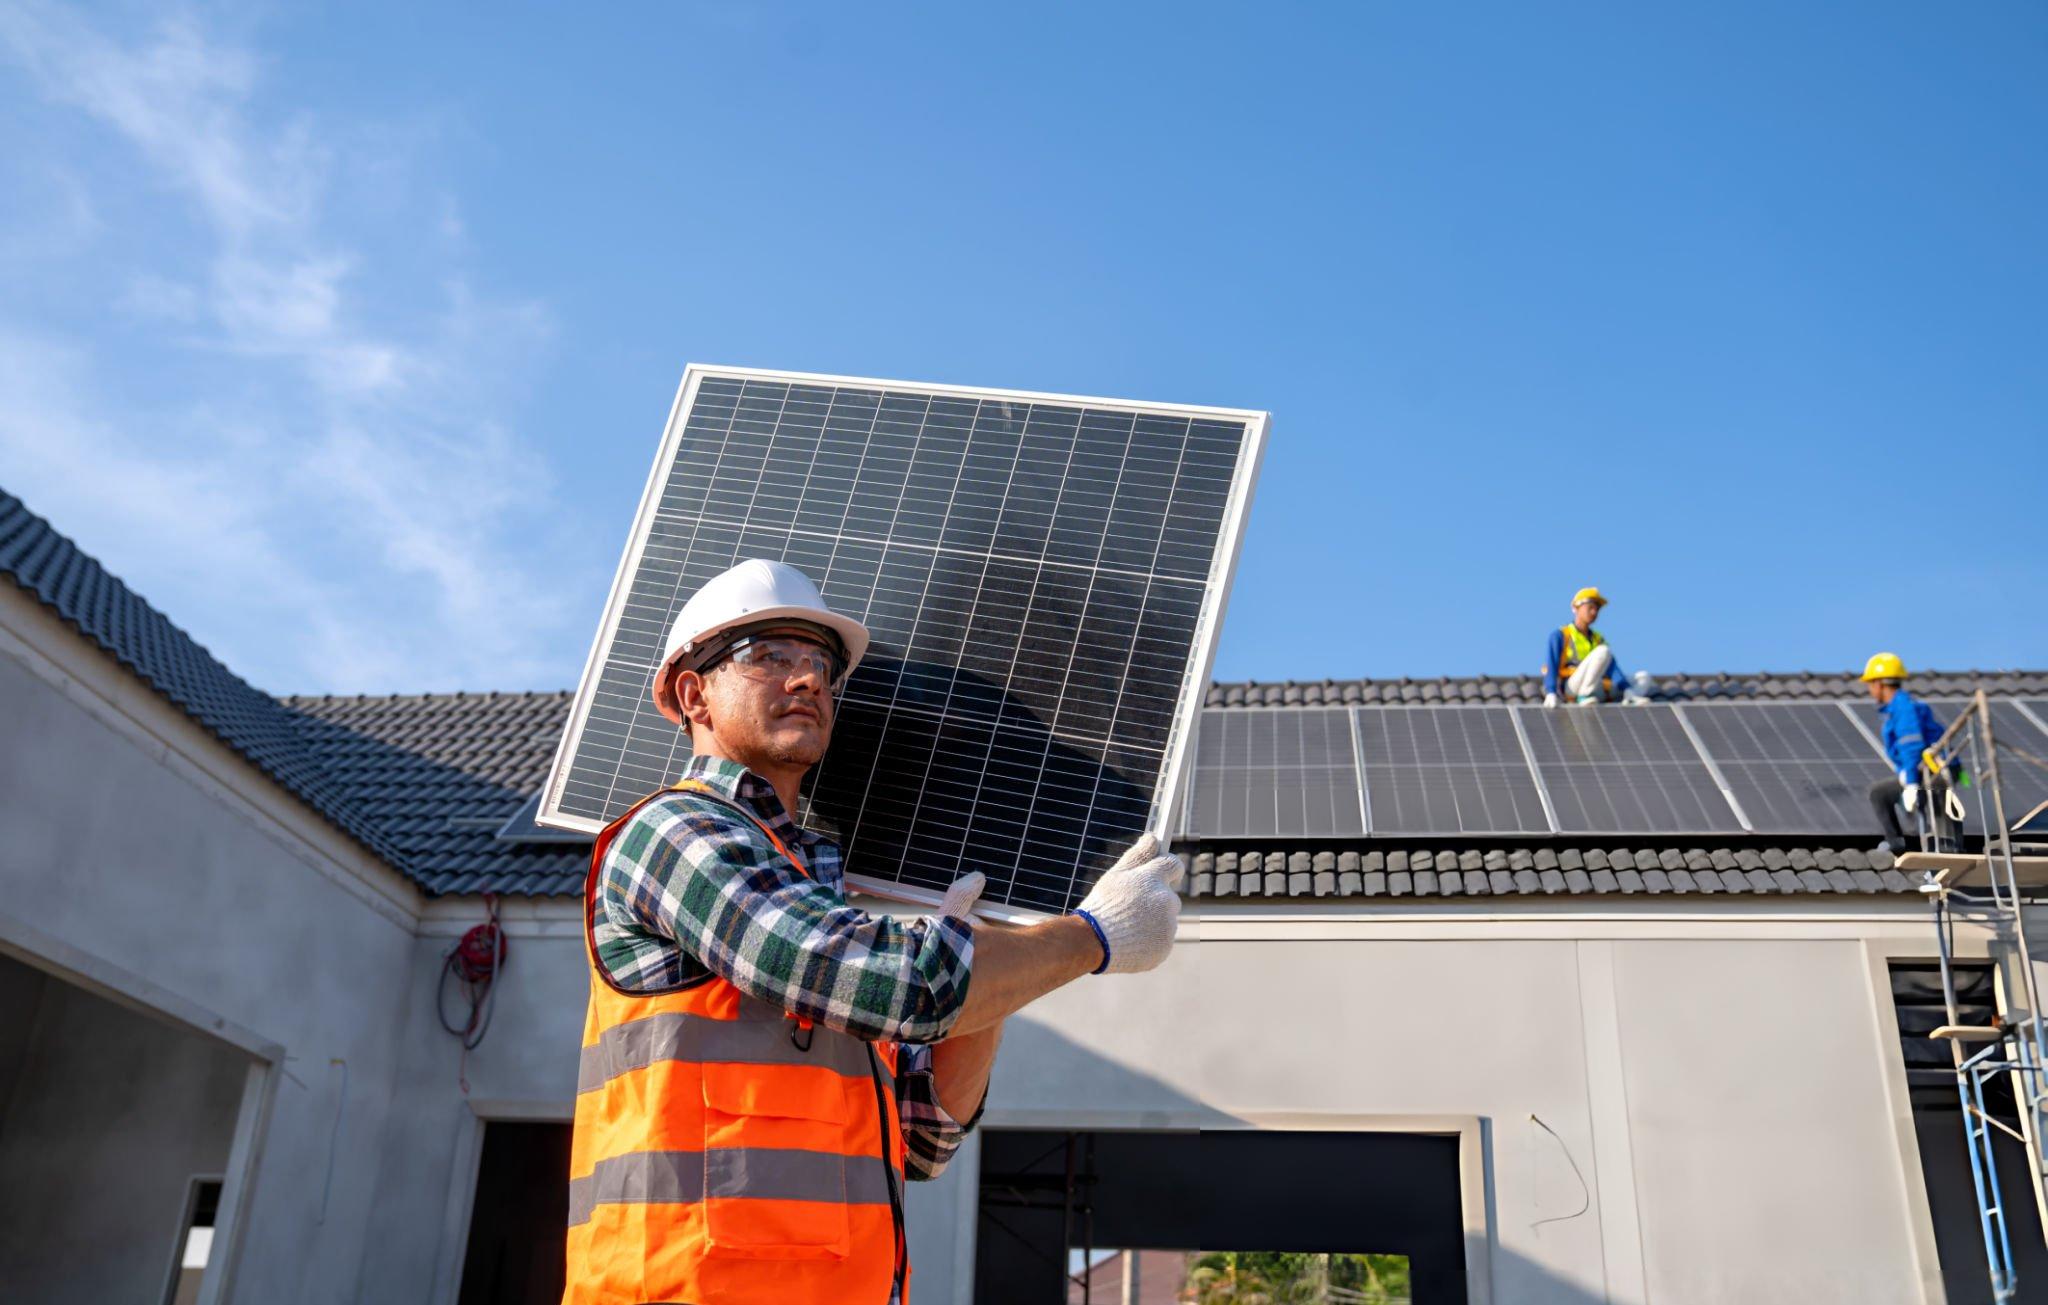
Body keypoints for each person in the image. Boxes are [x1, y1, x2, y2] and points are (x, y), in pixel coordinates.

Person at [563, 559, 1184, 1305]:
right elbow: (899, 985)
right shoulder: (673, 833)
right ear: (695, 694)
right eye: (769, 656)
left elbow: (924, 1136)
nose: (808, 680)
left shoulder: (812, 891)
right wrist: (1092, 937)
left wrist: (988, 943)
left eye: (821, 665)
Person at [1862, 651, 1963, 856]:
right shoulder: (1895, 709)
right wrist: (1906, 775)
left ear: (1879, 684)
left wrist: (1911, 783)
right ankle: (1896, 843)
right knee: (1879, 793)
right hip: (1919, 771)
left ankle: (1950, 848)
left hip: (1937, 770)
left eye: (1870, 684)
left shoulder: (1903, 707)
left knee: (1936, 793)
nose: (1869, 689)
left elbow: (1911, 745)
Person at [1542, 587, 1641, 707]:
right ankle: (1585, 695)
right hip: (1572, 686)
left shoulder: (1597, 639)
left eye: (1597, 609)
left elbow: (1612, 667)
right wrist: (1551, 692)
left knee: (1643, 678)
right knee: (1603, 651)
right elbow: (1551, 664)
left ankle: (1628, 697)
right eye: (1590, 607)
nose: (1594, 612)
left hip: (1597, 685)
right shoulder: (1561, 635)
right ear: (1576, 608)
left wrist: (1626, 688)